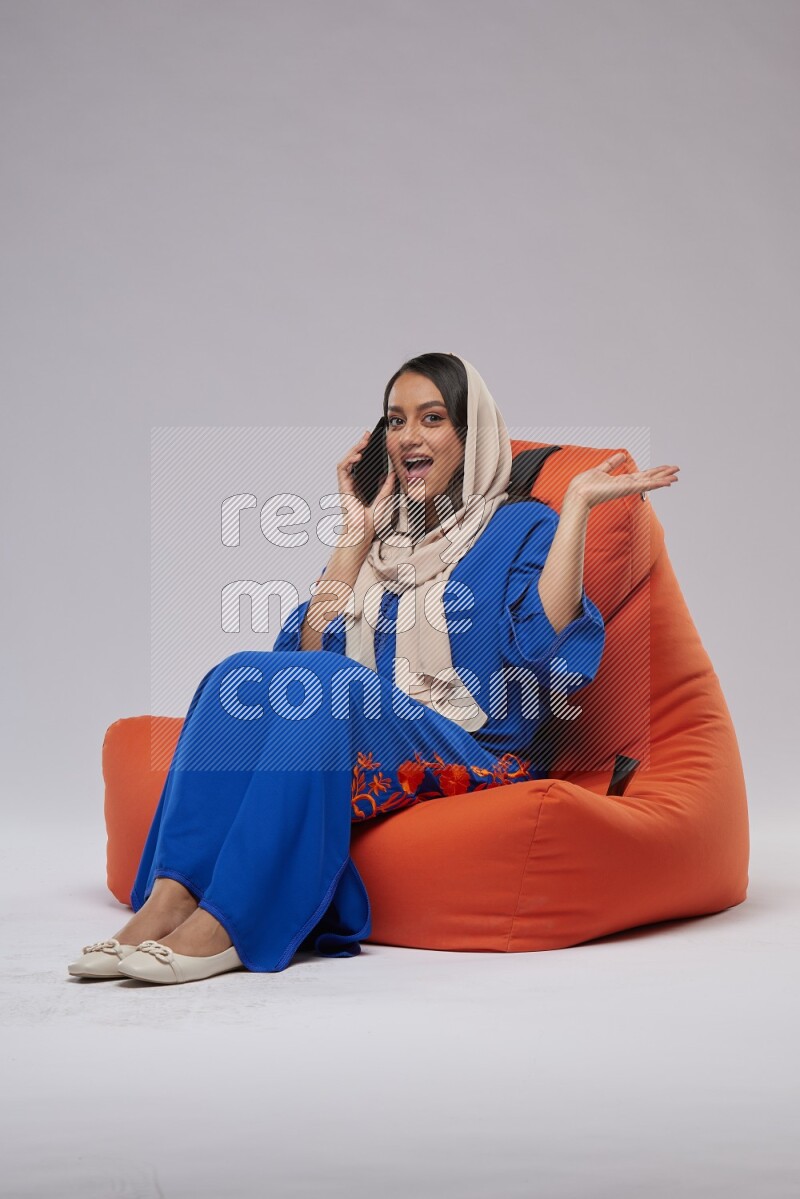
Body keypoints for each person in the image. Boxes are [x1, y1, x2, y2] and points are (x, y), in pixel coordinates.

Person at [68, 352, 679, 985]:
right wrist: (352, 538)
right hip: (368, 723)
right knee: (237, 674)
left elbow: (544, 654)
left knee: (336, 688)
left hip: (476, 749)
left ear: (472, 437)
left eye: (432, 418)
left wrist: (577, 505)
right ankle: (170, 898)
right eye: (395, 421)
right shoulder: (381, 540)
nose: (409, 436)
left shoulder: (522, 524)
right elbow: (300, 664)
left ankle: (233, 923)